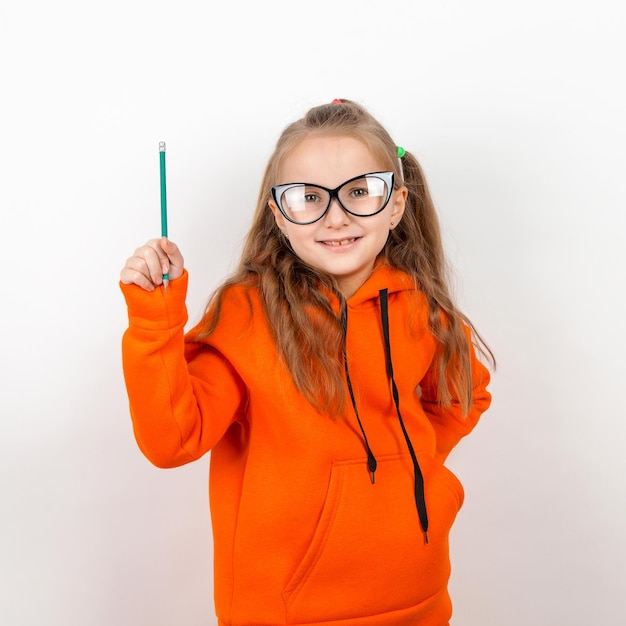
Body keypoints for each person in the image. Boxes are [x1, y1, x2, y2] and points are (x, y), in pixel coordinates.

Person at [120, 99, 494, 626]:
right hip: (285, 613)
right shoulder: (247, 314)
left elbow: (464, 393)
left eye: (360, 192)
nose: (336, 217)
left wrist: (406, 470)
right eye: (308, 198)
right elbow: (173, 440)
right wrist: (154, 322)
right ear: (279, 213)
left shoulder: (421, 307)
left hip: (420, 601)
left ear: (396, 203)